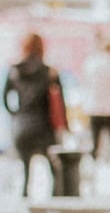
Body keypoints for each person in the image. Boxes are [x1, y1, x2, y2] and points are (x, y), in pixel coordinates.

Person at [3, 33, 64, 198]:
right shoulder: (49, 72)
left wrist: (15, 114)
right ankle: (55, 205)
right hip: (44, 127)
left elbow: (5, 98)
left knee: (25, 170)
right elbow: (60, 104)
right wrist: (64, 127)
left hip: (22, 126)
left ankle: (24, 202)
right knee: (54, 171)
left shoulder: (14, 70)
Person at [82, 35, 110, 161]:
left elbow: (86, 83)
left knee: (95, 139)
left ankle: (94, 163)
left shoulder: (91, 62)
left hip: (94, 106)